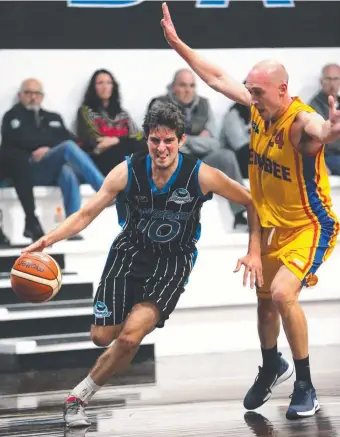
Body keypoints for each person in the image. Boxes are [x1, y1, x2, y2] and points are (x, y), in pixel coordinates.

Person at [22, 102, 263, 428]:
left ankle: (77, 397)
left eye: (168, 141)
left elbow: (251, 202)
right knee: (101, 337)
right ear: (146, 140)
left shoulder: (201, 174)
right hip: (129, 253)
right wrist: (47, 241)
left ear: (180, 141)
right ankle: (123, 337)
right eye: (154, 141)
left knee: (130, 338)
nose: (161, 148)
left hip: (173, 262)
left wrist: (254, 251)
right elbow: (85, 214)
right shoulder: (126, 171)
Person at [160, 2, 340, 420]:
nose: (250, 97)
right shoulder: (259, 111)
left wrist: (332, 130)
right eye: (250, 90)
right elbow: (217, 77)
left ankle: (306, 384)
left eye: (257, 91)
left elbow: (320, 130)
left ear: (282, 90)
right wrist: (178, 45)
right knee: (263, 303)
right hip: (271, 224)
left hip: (310, 225)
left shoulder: (299, 120)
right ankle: (271, 365)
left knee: (281, 294)